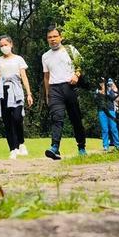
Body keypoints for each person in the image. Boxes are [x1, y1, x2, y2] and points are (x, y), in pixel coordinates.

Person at [43, 26, 87, 160]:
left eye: (55, 36)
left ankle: (81, 146)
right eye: (50, 37)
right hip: (54, 89)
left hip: (70, 87)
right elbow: (46, 76)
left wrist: (77, 75)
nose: (53, 39)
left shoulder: (70, 50)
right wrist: (47, 94)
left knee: (75, 118)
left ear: (61, 37)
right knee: (57, 118)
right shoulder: (45, 56)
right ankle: (54, 147)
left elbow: (81, 64)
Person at [0, 35, 33, 160]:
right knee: (7, 121)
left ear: (11, 45)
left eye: (5, 45)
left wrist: (29, 93)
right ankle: (13, 149)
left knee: (17, 117)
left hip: (16, 91)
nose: (3, 47)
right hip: (3, 91)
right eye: (1, 46)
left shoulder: (18, 59)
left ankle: (21, 143)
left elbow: (24, 76)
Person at [94, 77, 119, 152]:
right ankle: (105, 146)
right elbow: (95, 101)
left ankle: (117, 145)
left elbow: (113, 98)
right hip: (101, 111)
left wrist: (114, 90)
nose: (101, 83)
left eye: (103, 82)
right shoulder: (97, 91)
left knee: (113, 128)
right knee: (104, 129)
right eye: (100, 82)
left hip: (111, 111)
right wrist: (100, 93)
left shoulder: (109, 90)